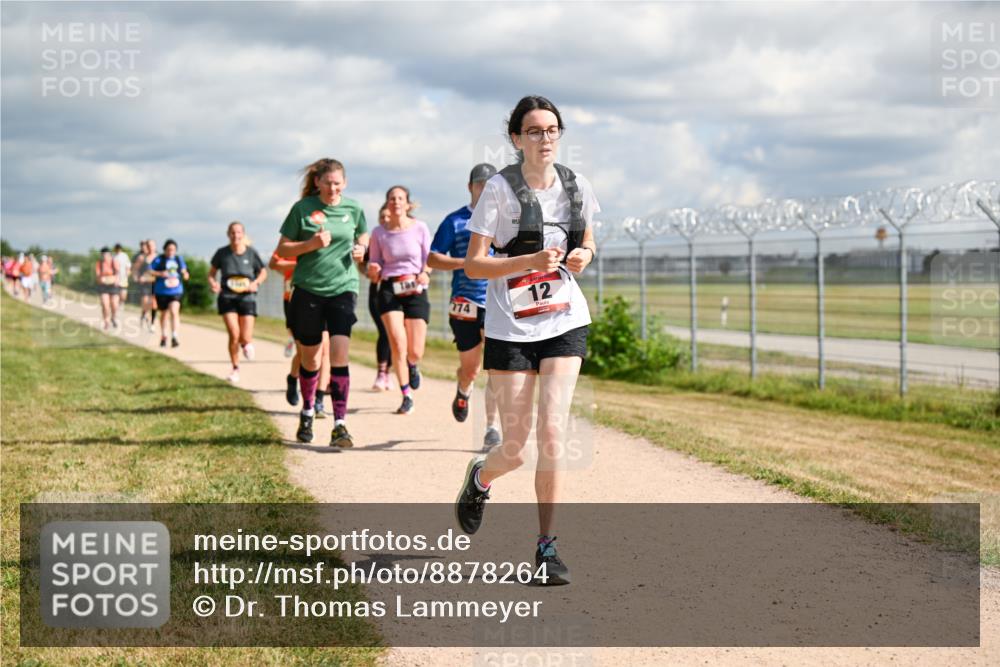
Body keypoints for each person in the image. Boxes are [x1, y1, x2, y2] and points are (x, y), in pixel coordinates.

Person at [454, 95, 600, 587]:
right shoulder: (498, 190)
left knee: (554, 434)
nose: (545, 139)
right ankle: (482, 478)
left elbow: (589, 242)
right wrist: (527, 263)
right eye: (534, 131)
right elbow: (475, 263)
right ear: (516, 139)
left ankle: (547, 548)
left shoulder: (577, 186)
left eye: (552, 129)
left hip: (564, 321)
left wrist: (581, 257)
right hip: (510, 327)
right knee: (514, 448)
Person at [276, 158, 368, 447]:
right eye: (327, 182)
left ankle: (340, 423)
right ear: (317, 182)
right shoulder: (302, 209)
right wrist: (310, 245)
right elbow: (282, 248)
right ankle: (306, 411)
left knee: (339, 354)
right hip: (308, 290)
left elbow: (362, 231)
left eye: (337, 182)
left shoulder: (353, 208)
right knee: (311, 357)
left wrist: (362, 247)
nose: (332, 187)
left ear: (345, 183)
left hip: (343, 288)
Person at [428, 164, 502, 449]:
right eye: (480, 184)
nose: (485, 189)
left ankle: (491, 428)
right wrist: (467, 263)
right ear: (470, 187)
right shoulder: (455, 221)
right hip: (465, 301)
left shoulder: (506, 220)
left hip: (498, 303)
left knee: (497, 367)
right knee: (470, 367)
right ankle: (463, 388)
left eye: (491, 185)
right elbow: (433, 259)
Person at [367, 185, 432, 415]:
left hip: (415, 286)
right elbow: (374, 264)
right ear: (387, 204)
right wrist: (373, 269)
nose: (396, 202)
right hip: (389, 288)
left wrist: (426, 272)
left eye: (400, 198)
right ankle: (406, 395)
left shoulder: (420, 228)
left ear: (407, 203)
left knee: (415, 350)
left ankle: (413, 365)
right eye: (392, 199)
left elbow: (429, 258)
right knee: (397, 342)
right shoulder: (378, 233)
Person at [209, 221, 268, 383]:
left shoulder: (251, 253)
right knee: (234, 334)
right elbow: (211, 273)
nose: (236, 236)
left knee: (245, 336)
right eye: (233, 232)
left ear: (243, 234)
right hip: (227, 298)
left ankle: (246, 343)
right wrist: (213, 283)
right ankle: (235, 368)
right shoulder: (222, 253)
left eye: (239, 232)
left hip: (247, 298)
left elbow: (263, 273)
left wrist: (255, 283)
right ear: (228, 234)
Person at [269, 249, 301, 405]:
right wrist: (298, 266)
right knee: (302, 344)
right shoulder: (291, 242)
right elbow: (274, 264)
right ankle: (293, 378)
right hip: (291, 297)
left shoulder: (324, 238)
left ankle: (320, 391)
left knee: (322, 347)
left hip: (320, 296)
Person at [367, 204, 393, 391]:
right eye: (381, 217)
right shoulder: (375, 238)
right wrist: (372, 271)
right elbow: (363, 264)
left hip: (396, 293)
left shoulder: (399, 239)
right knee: (385, 332)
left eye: (387, 216)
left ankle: (390, 372)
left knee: (395, 334)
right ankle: (381, 373)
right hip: (376, 292)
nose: (384, 220)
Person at [149, 239, 189, 347]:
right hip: (161, 291)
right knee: (164, 314)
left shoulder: (179, 259)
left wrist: (185, 274)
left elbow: (185, 271)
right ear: (165, 250)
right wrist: (159, 273)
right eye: (169, 249)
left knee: (174, 311)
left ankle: (175, 336)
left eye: (173, 249)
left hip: (176, 291)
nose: (171, 251)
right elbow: (149, 270)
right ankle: (163, 335)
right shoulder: (159, 260)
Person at [94, 247, 121, 329]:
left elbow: (118, 273)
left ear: (109, 255)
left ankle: (113, 317)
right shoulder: (99, 263)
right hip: (104, 285)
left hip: (113, 285)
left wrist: (116, 280)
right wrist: (101, 279)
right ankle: (106, 321)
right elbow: (98, 275)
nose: (105, 257)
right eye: (103, 255)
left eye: (106, 255)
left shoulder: (114, 262)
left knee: (114, 304)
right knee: (105, 304)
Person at [113, 243, 131, 308]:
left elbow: (128, 265)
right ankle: (116, 305)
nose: (118, 249)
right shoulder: (113, 256)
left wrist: (128, 273)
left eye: (119, 248)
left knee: (123, 293)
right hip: (115, 278)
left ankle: (121, 302)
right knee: (116, 293)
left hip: (124, 277)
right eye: (116, 248)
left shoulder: (124, 256)